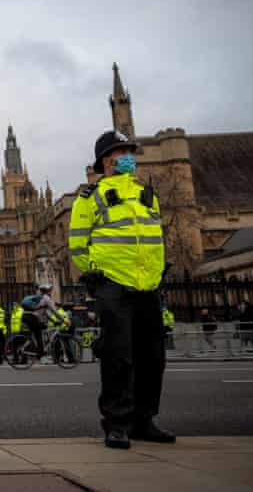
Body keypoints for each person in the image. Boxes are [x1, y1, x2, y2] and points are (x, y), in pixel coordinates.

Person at [69, 130, 175, 449]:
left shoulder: (147, 194)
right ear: (107, 160)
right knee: (118, 356)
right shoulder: (90, 198)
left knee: (152, 356)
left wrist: (156, 271)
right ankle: (117, 423)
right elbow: (77, 244)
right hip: (113, 284)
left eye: (131, 150)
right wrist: (98, 275)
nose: (130, 155)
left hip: (148, 284)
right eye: (123, 151)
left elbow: (152, 237)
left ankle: (145, 420)